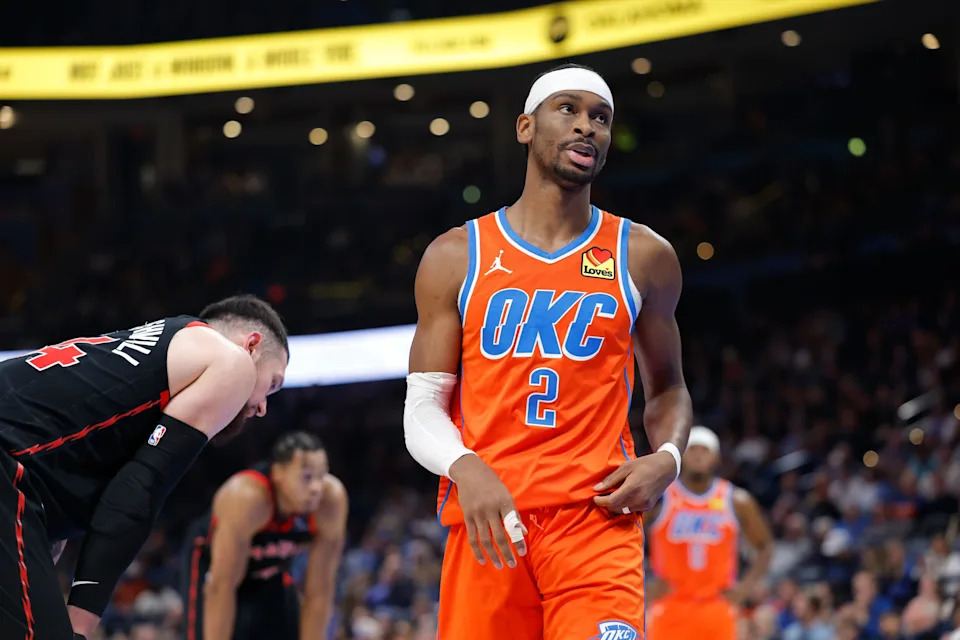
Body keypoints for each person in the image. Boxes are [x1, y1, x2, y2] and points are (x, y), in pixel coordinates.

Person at [404, 62, 693, 639]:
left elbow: (669, 388)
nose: (587, 126)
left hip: (596, 523)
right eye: (569, 109)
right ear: (525, 127)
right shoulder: (456, 255)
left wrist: (668, 460)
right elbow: (421, 408)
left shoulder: (643, 256)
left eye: (601, 118)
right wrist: (465, 467)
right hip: (490, 522)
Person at [0, 294, 289, 640]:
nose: (262, 409)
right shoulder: (232, 361)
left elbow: (58, 457)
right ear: (252, 345)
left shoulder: (155, 351)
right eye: (272, 385)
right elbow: (138, 493)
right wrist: (79, 623)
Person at [183, 431, 347, 640]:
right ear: (278, 472)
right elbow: (220, 587)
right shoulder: (247, 498)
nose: (316, 487)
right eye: (306, 477)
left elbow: (320, 591)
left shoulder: (330, 501)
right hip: (215, 566)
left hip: (270, 571)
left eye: (321, 475)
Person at [645, 426, 773, 640]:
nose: (698, 455)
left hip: (717, 606)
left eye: (705, 450)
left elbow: (765, 546)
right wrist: (644, 581)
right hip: (670, 605)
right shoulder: (660, 497)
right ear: (682, 456)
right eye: (693, 449)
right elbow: (627, 536)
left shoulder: (736, 500)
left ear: (716, 458)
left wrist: (745, 588)